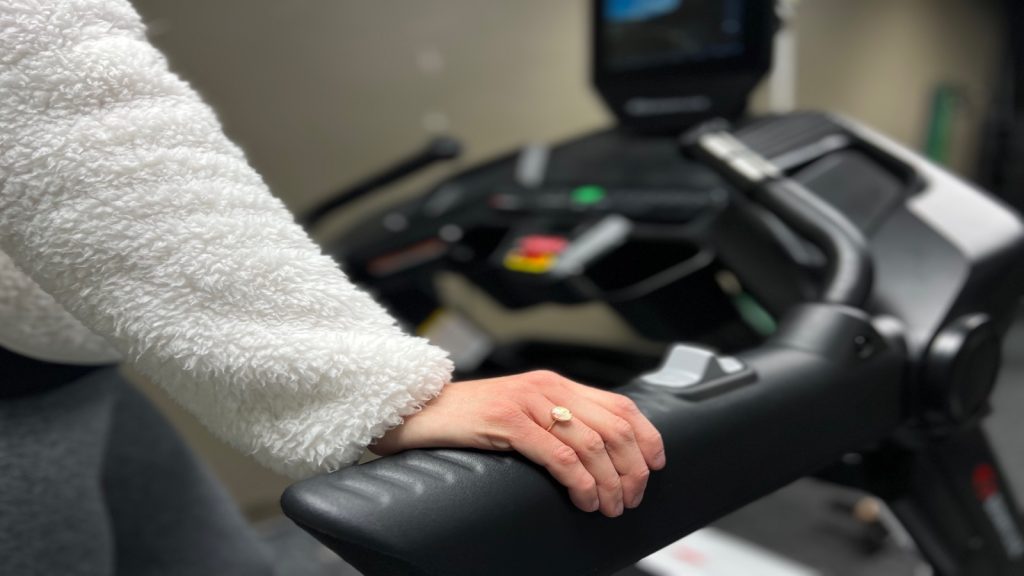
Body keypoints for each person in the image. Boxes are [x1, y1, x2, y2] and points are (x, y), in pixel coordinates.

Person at [0, 0, 665, 573]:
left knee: (219, 564)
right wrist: (378, 394)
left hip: (67, 364)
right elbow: (49, 91)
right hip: (15, 393)